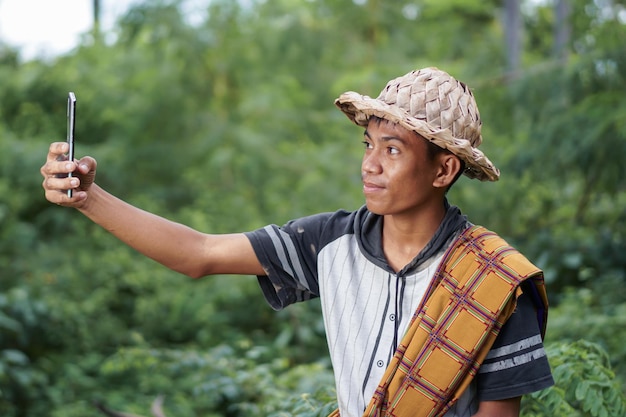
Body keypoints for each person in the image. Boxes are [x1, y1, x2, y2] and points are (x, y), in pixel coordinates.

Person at [41, 67, 554, 417]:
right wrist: (90, 199)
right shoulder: (330, 243)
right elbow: (198, 254)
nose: (369, 165)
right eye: (368, 144)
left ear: (443, 169)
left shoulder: (495, 283)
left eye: (393, 150)